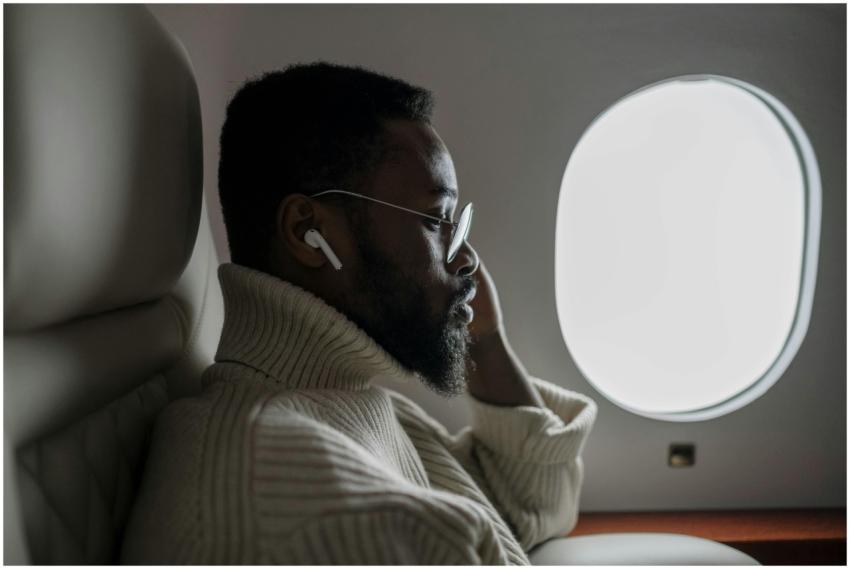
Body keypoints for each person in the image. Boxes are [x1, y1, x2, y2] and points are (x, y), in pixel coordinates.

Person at [121, 62, 597, 565]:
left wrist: (486, 337)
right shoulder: (308, 501)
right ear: (308, 231)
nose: (467, 258)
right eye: (437, 219)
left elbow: (529, 506)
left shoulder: (355, 398)